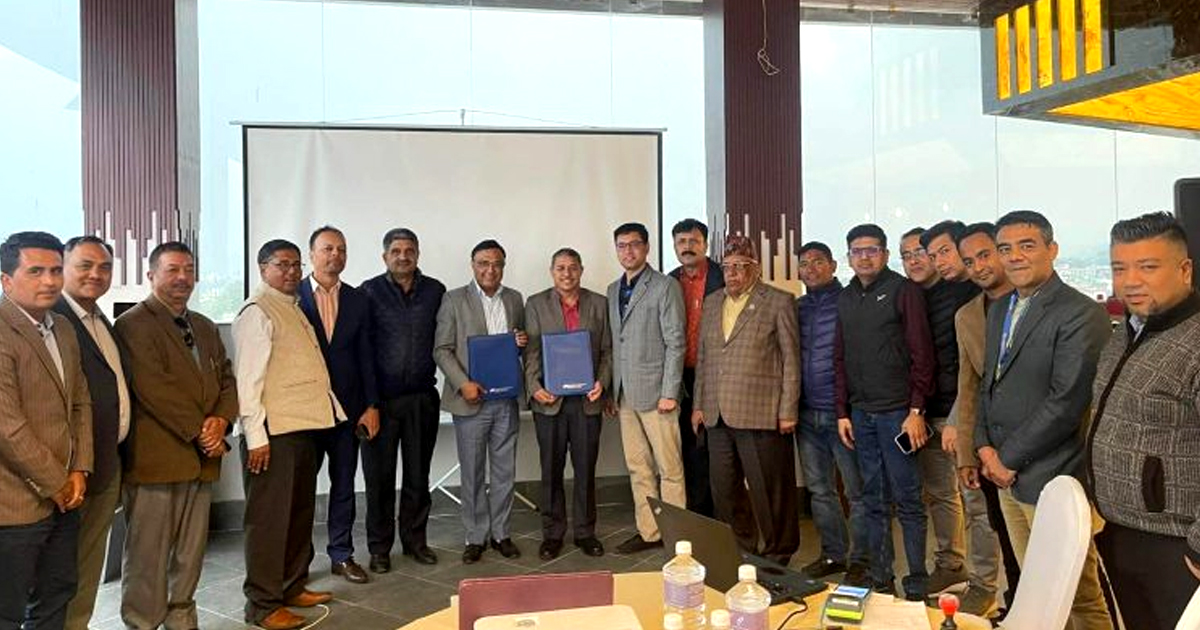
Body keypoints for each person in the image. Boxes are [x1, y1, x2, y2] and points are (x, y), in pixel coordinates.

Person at [975, 210, 1113, 630]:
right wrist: (983, 446)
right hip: (1005, 475)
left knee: (1078, 597)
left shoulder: (1080, 313)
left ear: (1052, 250)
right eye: (1005, 249)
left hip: (1054, 478)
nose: (1014, 256)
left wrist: (1007, 458)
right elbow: (989, 383)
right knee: (1039, 597)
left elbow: (1067, 402)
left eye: (1027, 245)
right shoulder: (1001, 308)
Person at [116, 241, 238, 630]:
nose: (182, 277)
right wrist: (202, 431)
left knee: (190, 551)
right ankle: (142, 622)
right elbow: (153, 387)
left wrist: (221, 421)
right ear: (151, 275)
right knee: (148, 554)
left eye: (188, 270)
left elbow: (227, 380)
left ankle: (182, 618)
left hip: (202, 460)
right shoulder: (132, 324)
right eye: (172, 270)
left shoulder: (203, 325)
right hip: (157, 460)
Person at [1089, 212, 1200, 630]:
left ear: (1184, 270)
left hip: (1177, 544)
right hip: (1122, 532)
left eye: (1148, 267)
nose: (1131, 281)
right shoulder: (1128, 331)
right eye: (1120, 268)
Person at [234, 239, 344, 630]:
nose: (292, 272)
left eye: (296, 265)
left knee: (298, 515)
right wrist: (256, 436)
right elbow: (247, 382)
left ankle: (292, 585)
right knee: (268, 522)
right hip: (273, 435)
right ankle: (263, 605)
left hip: (302, 428)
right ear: (262, 268)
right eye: (282, 265)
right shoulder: (256, 311)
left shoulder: (291, 306)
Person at [834, 223, 934, 600]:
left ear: (885, 255)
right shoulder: (846, 298)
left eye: (872, 250)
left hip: (898, 415)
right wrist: (842, 411)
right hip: (861, 415)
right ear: (849, 257)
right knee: (873, 500)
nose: (864, 257)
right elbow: (839, 358)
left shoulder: (903, 291)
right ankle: (881, 577)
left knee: (908, 500)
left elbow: (922, 354)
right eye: (857, 251)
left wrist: (916, 409)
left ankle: (917, 582)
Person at [0, 231, 91, 630]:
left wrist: (80, 469)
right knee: (7, 608)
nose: (50, 281)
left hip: (65, 496)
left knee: (57, 596)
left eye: (56, 271)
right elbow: (7, 427)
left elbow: (80, 403)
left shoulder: (64, 328)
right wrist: (57, 482)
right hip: (14, 501)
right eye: (36, 271)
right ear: (6, 280)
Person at [692, 236, 800, 566]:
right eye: (727, 267)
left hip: (761, 412)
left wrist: (788, 410)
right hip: (716, 414)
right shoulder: (712, 303)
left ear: (756, 268)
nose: (733, 273)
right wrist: (698, 405)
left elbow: (791, 360)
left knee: (770, 490)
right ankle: (742, 549)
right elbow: (705, 358)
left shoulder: (778, 301)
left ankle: (779, 553)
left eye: (740, 266)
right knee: (725, 489)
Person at [434, 239, 527, 564]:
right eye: (483, 263)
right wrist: (463, 384)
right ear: (473, 265)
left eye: (497, 264)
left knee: (504, 470)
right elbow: (441, 349)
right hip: (470, 401)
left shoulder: (514, 299)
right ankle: (475, 536)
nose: (490, 269)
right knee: (472, 471)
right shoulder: (453, 299)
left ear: (504, 266)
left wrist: (520, 342)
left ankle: (501, 533)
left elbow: (517, 345)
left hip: (505, 400)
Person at [55, 237, 130, 630]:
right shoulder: (52, 319)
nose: (96, 274)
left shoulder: (101, 321)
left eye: (104, 267)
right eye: (85, 265)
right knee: (59, 575)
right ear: (63, 267)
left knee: (87, 567)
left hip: (106, 463)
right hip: (68, 472)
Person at [360, 228, 446, 571]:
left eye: (409, 250)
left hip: (422, 399)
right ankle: (379, 548)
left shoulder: (435, 291)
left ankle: (415, 541)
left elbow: (448, 337)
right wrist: (368, 403)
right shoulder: (368, 292)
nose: (403, 256)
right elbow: (362, 349)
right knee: (379, 479)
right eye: (395, 251)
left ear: (417, 254)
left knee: (417, 477)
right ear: (385, 257)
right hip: (380, 402)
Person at [297, 226, 379, 584]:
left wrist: (371, 405)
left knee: (344, 484)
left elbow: (367, 356)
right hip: (303, 411)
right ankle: (297, 561)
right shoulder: (292, 296)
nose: (335, 255)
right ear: (311, 254)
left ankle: (342, 555)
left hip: (348, 410)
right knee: (301, 489)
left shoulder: (359, 299)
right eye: (328, 248)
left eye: (341, 249)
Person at [914, 221, 986, 606]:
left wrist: (960, 418)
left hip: (967, 414)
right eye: (933, 255)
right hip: (934, 410)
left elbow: (977, 369)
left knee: (977, 504)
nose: (939, 261)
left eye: (945, 251)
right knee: (943, 495)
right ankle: (953, 566)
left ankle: (985, 585)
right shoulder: (933, 295)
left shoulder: (982, 294)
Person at [952, 223, 1022, 614]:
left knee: (1057, 554)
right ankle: (1016, 608)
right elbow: (969, 388)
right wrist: (967, 454)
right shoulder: (967, 316)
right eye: (969, 261)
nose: (978, 267)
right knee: (1005, 536)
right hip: (990, 449)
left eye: (984, 255)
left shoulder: (1035, 304)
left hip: (1041, 451)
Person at [524, 247, 611, 560]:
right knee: (551, 469)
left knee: (585, 469)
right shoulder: (535, 304)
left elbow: (607, 351)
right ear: (552, 272)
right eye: (560, 268)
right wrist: (534, 387)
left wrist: (603, 382)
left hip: (587, 402)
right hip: (550, 402)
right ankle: (552, 534)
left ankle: (585, 532)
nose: (567, 274)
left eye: (572, 267)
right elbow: (531, 352)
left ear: (581, 270)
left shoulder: (599, 303)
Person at [607, 222, 687, 554]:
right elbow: (617, 344)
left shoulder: (665, 286)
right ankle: (650, 532)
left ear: (647, 247)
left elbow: (676, 342)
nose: (628, 251)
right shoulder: (613, 289)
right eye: (622, 245)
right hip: (625, 395)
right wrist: (613, 391)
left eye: (634, 244)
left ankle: (677, 537)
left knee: (670, 469)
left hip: (658, 395)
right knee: (638, 468)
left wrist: (670, 392)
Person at [794, 241, 869, 585]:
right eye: (804, 264)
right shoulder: (797, 307)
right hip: (806, 413)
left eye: (818, 262)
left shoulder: (849, 301)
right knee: (819, 489)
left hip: (843, 413)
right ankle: (833, 554)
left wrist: (849, 407)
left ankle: (862, 559)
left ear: (833, 265)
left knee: (856, 491)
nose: (811, 269)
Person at [666, 218, 721, 517]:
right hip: (681, 377)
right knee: (690, 447)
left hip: (718, 376)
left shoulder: (723, 278)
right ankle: (698, 514)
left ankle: (721, 518)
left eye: (694, 241)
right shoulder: (668, 282)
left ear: (705, 244)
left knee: (719, 449)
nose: (687, 247)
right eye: (681, 242)